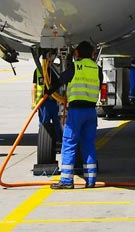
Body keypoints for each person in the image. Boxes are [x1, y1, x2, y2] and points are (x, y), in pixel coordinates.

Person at [53, 41, 101, 189]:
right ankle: (91, 180)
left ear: (77, 53)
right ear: (92, 54)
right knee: (88, 144)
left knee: (69, 143)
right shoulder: (97, 69)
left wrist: (48, 91)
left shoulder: (75, 67)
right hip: (91, 112)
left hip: (76, 112)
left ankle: (67, 180)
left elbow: (61, 80)